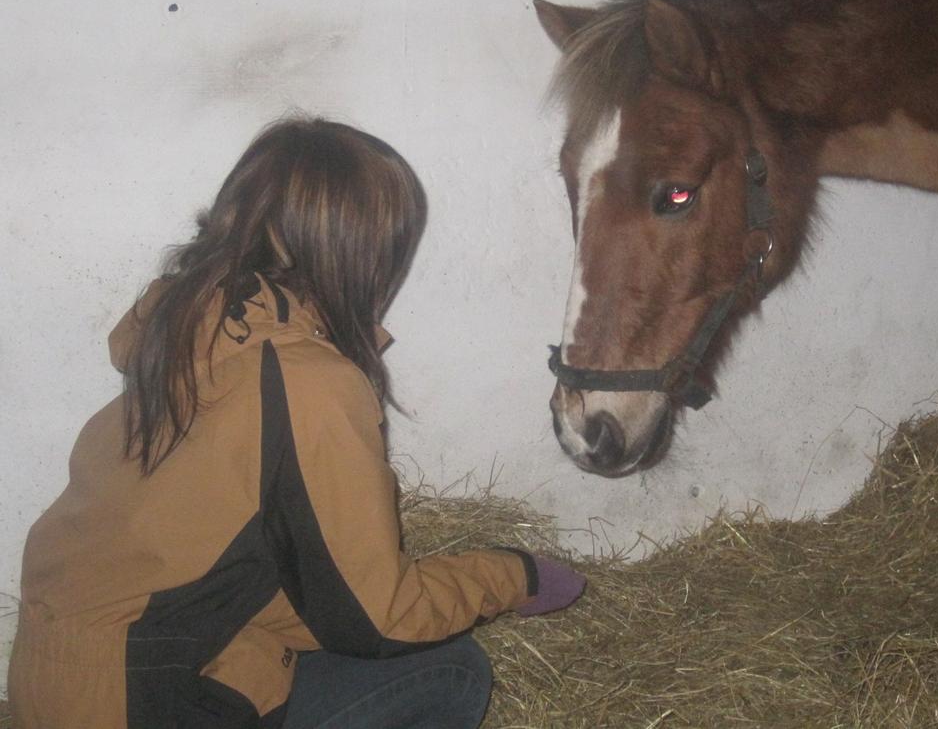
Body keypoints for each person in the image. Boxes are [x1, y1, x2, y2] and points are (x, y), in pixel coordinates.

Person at [8, 118, 586, 728]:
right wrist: (512, 575)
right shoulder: (304, 379)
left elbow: (246, 568)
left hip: (70, 684)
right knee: (449, 671)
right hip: (143, 701)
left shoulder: (188, 326)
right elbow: (376, 617)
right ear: (353, 251)